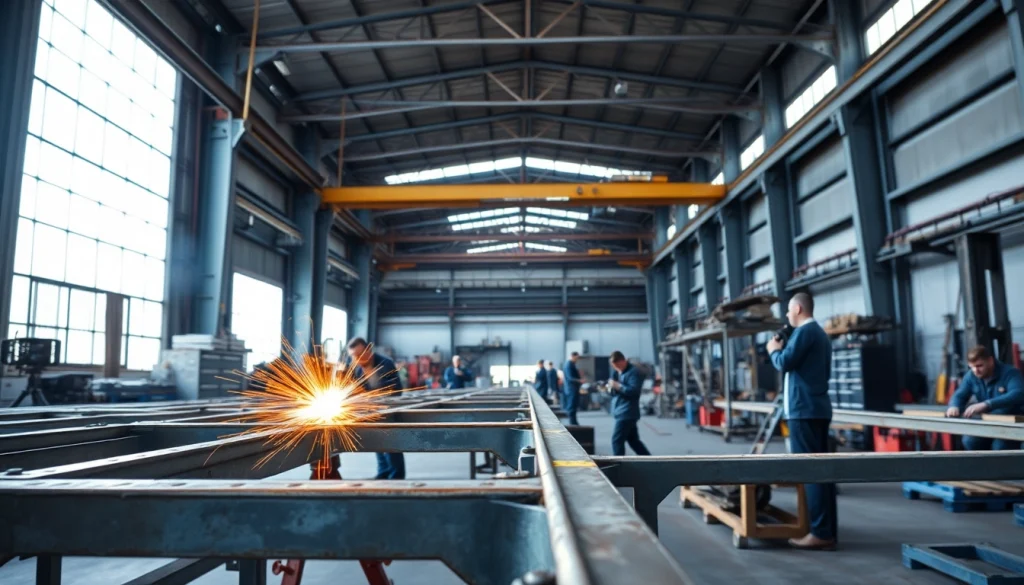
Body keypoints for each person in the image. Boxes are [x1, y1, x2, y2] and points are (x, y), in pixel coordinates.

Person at [765, 292, 836, 551]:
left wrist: (773, 351)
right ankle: (825, 530)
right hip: (816, 407)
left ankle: (820, 532)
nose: (786, 316)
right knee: (822, 472)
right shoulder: (818, 333)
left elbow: (784, 362)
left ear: (796, 308)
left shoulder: (806, 332)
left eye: (787, 311)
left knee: (810, 472)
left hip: (803, 410)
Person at [346, 337, 405, 480]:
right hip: (370, 411)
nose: (356, 359)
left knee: (391, 445)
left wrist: (375, 395)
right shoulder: (356, 368)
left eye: (359, 355)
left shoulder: (385, 364)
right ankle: (383, 472)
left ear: (368, 351)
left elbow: (397, 390)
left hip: (388, 410)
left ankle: (396, 476)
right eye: (353, 356)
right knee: (377, 444)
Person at [946, 345, 1024, 450]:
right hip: (988, 422)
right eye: (971, 367)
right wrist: (954, 405)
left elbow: (1018, 394)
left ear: (991, 361)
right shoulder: (971, 376)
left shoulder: (1010, 373)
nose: (975, 370)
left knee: (1000, 447)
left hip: (1010, 423)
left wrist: (987, 404)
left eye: (979, 366)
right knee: (969, 441)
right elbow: (960, 394)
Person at [607, 351, 651, 456]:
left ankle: (618, 466)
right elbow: (614, 391)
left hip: (627, 412)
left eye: (618, 365)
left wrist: (618, 386)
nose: (616, 368)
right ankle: (649, 460)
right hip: (620, 410)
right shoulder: (618, 372)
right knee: (633, 441)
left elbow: (634, 391)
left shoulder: (634, 372)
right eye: (614, 366)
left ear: (623, 361)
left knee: (617, 441)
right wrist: (610, 387)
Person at [562, 352, 584, 425]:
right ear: (572, 356)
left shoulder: (571, 364)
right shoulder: (569, 365)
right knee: (571, 406)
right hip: (571, 388)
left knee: (573, 406)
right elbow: (570, 378)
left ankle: (574, 422)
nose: (577, 360)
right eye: (576, 358)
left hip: (572, 388)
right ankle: (573, 424)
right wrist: (580, 380)